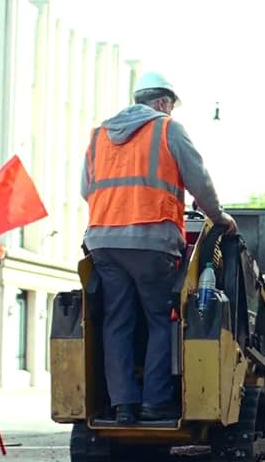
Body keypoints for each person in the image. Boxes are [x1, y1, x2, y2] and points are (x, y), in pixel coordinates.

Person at [80, 71, 237, 424]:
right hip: (152, 243)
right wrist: (220, 217)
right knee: (160, 319)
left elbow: (85, 189)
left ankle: (122, 405)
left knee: (116, 321)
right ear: (164, 103)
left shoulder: (99, 136)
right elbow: (199, 181)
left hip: (103, 241)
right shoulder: (167, 129)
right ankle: (155, 402)